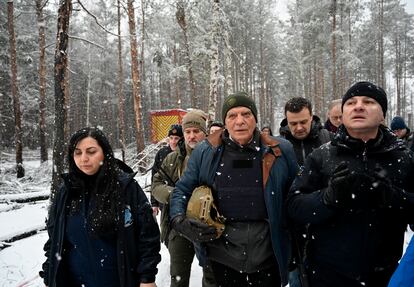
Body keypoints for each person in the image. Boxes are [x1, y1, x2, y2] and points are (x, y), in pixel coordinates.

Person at [287, 81, 414, 287]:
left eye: (369, 101)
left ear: (383, 114)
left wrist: (393, 197)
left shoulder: (403, 158)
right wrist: (327, 199)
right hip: (327, 275)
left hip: (384, 275)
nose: (358, 106)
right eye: (351, 102)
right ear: (343, 114)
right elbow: (294, 206)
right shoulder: (322, 155)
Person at [169, 92, 298, 286]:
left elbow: (297, 195)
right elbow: (182, 190)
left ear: (255, 118)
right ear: (225, 121)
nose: (240, 121)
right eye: (232, 116)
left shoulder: (280, 149)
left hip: (268, 256)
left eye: (246, 114)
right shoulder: (205, 151)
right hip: (220, 257)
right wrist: (179, 219)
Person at [40, 127, 161, 287]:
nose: (84, 159)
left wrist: (147, 277)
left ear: (104, 153)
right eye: (78, 152)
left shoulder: (125, 187)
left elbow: (147, 235)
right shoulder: (66, 191)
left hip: (119, 280)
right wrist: (50, 273)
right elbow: (55, 236)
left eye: (91, 152)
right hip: (75, 281)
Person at [152, 110, 215, 287]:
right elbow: (156, 186)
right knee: (178, 279)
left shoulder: (216, 156)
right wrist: (175, 194)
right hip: (178, 227)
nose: (191, 136)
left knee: (212, 278)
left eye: (196, 131)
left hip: (209, 227)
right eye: (187, 132)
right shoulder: (172, 159)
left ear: (205, 132)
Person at [279, 97, 332, 167]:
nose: (299, 128)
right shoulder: (278, 146)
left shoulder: (329, 139)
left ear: (311, 117)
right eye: (293, 124)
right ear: (287, 121)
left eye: (303, 122)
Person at [150, 124, 184, 215]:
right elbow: (155, 178)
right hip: (164, 201)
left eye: (176, 138)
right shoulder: (162, 153)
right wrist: (154, 203)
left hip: (183, 201)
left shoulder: (186, 155)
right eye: (171, 138)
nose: (173, 141)